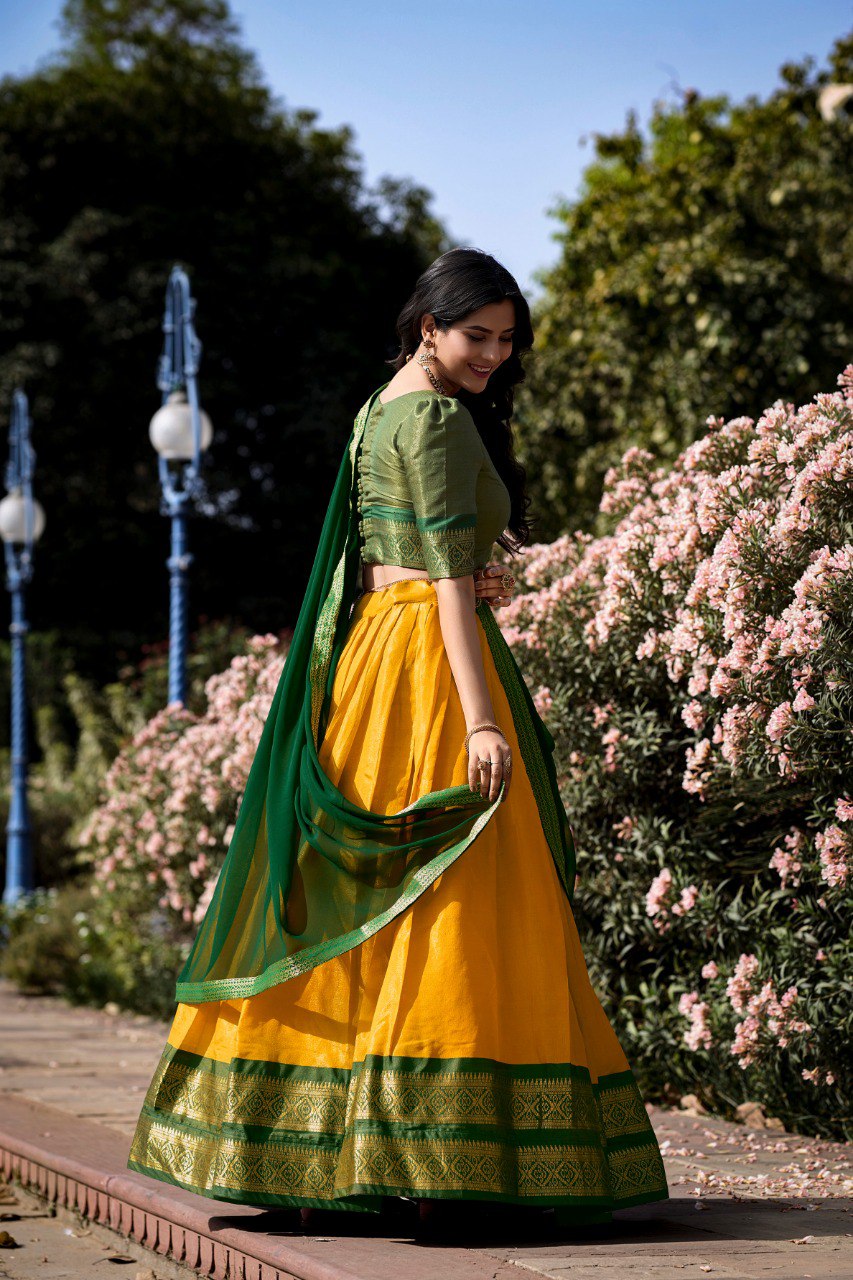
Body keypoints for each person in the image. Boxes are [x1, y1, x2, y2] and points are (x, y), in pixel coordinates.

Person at [127, 247, 669, 1235]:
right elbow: (447, 585)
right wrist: (481, 718)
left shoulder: (381, 406)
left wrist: (471, 577)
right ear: (430, 324)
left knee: (376, 899)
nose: (494, 357)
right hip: (427, 670)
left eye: (507, 341)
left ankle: (333, 1149)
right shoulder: (431, 414)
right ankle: (441, 1155)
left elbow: (410, 555)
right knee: (455, 898)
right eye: (477, 336)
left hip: (376, 663)